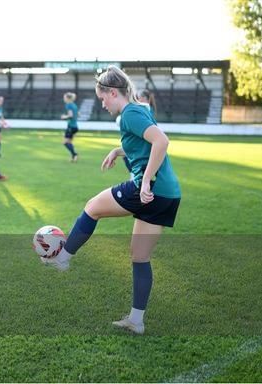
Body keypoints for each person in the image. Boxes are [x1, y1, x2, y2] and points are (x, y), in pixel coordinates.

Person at [45, 66, 181, 335]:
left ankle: (63, 258)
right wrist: (118, 151)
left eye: (103, 98)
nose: (103, 104)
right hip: (168, 195)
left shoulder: (129, 113)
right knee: (139, 257)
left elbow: (161, 142)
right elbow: (143, 142)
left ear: (113, 92)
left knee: (92, 207)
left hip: (147, 190)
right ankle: (136, 320)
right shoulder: (140, 108)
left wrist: (144, 180)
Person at [60, 92, 79, 162]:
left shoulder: (68, 105)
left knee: (65, 142)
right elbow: (78, 114)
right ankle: (73, 157)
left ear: (68, 98)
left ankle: (75, 154)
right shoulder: (74, 105)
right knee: (70, 142)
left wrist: (63, 117)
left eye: (64, 98)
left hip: (71, 127)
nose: (64, 99)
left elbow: (70, 116)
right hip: (75, 127)